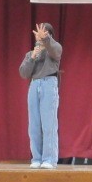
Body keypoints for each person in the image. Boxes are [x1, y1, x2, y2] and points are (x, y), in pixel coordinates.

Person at [19, 22, 62, 169]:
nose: (40, 37)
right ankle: (36, 158)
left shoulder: (55, 49)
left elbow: (55, 51)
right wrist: (32, 57)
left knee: (48, 124)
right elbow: (24, 73)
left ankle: (49, 159)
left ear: (50, 36)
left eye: (44, 34)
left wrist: (46, 40)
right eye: (38, 35)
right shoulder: (31, 54)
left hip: (49, 83)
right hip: (34, 84)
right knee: (34, 125)